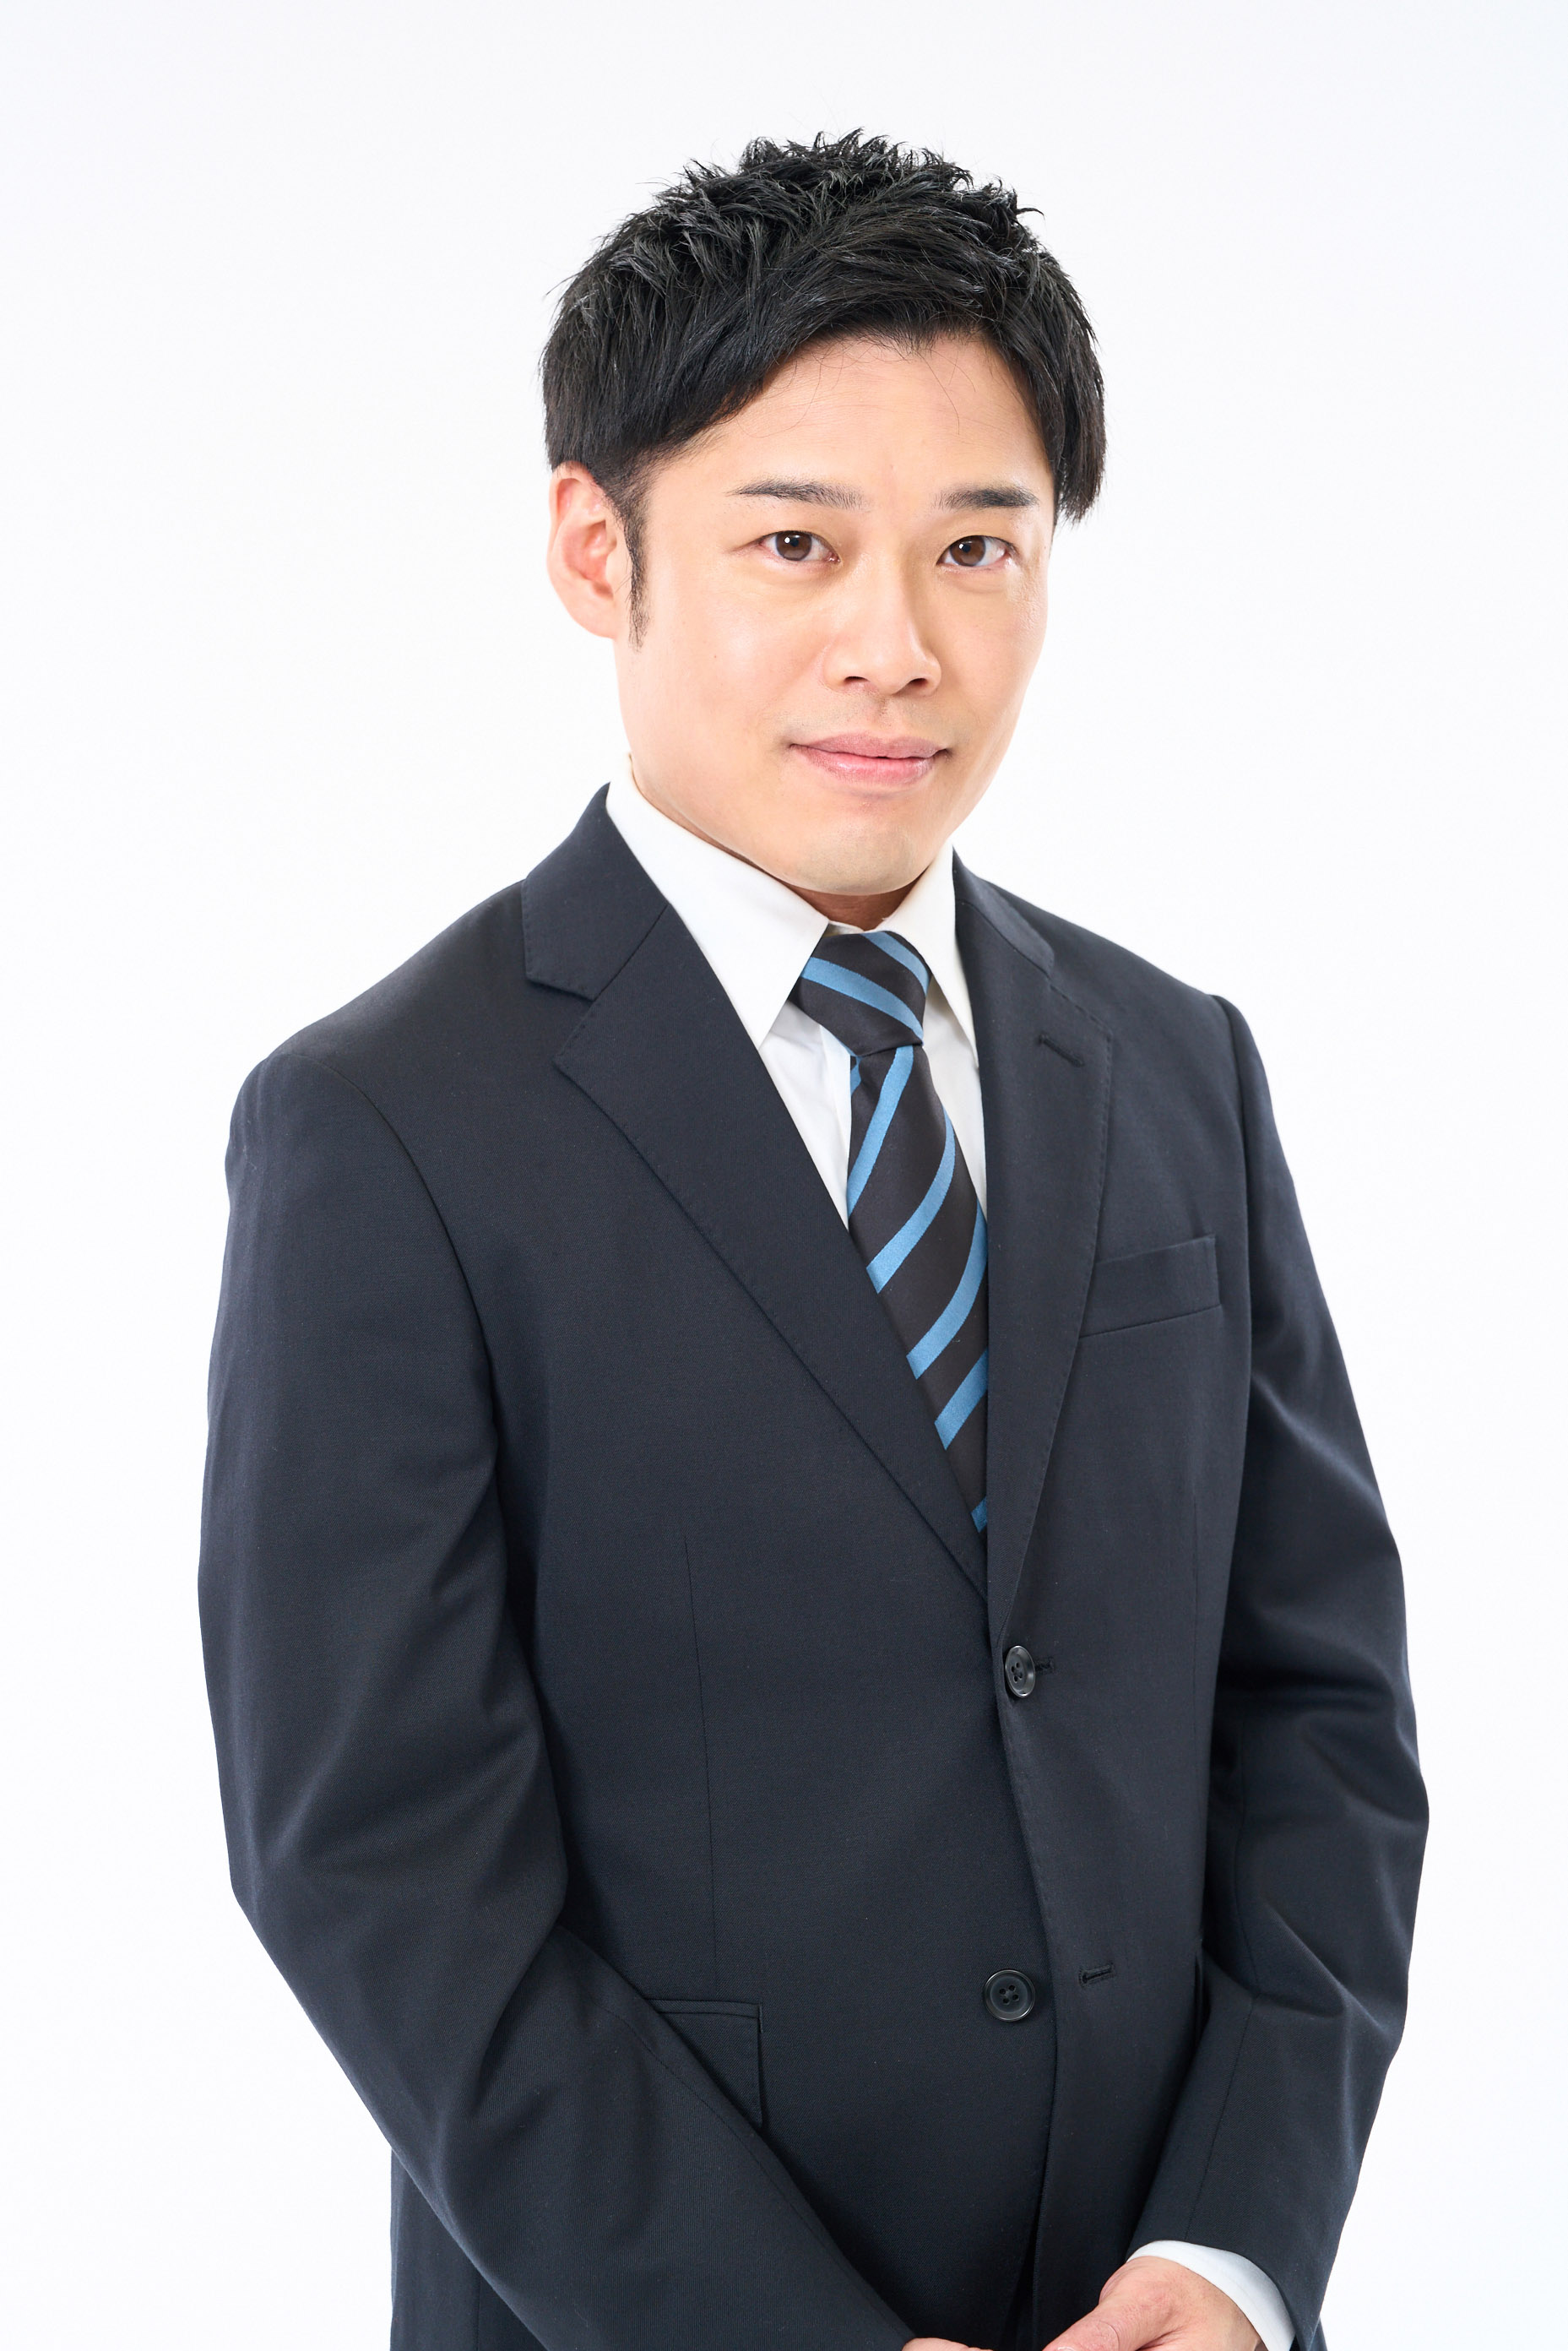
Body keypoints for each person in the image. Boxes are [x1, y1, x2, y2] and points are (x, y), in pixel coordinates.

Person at [198, 133, 1425, 2351]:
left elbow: (1318, 1709)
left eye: (979, 548)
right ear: (600, 551)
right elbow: (378, 1860)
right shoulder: (384, 1124)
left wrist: (1235, 2248)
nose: (899, 646)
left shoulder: (1176, 1062)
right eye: (795, 543)